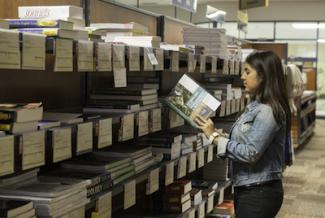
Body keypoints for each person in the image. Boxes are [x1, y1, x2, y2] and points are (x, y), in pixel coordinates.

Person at [195, 51, 291, 218]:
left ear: (263, 76)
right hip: (248, 188)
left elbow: (250, 153)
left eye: (247, 72)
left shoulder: (267, 111)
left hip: (259, 192)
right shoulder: (255, 106)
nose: (242, 76)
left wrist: (216, 138)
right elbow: (247, 142)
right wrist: (215, 133)